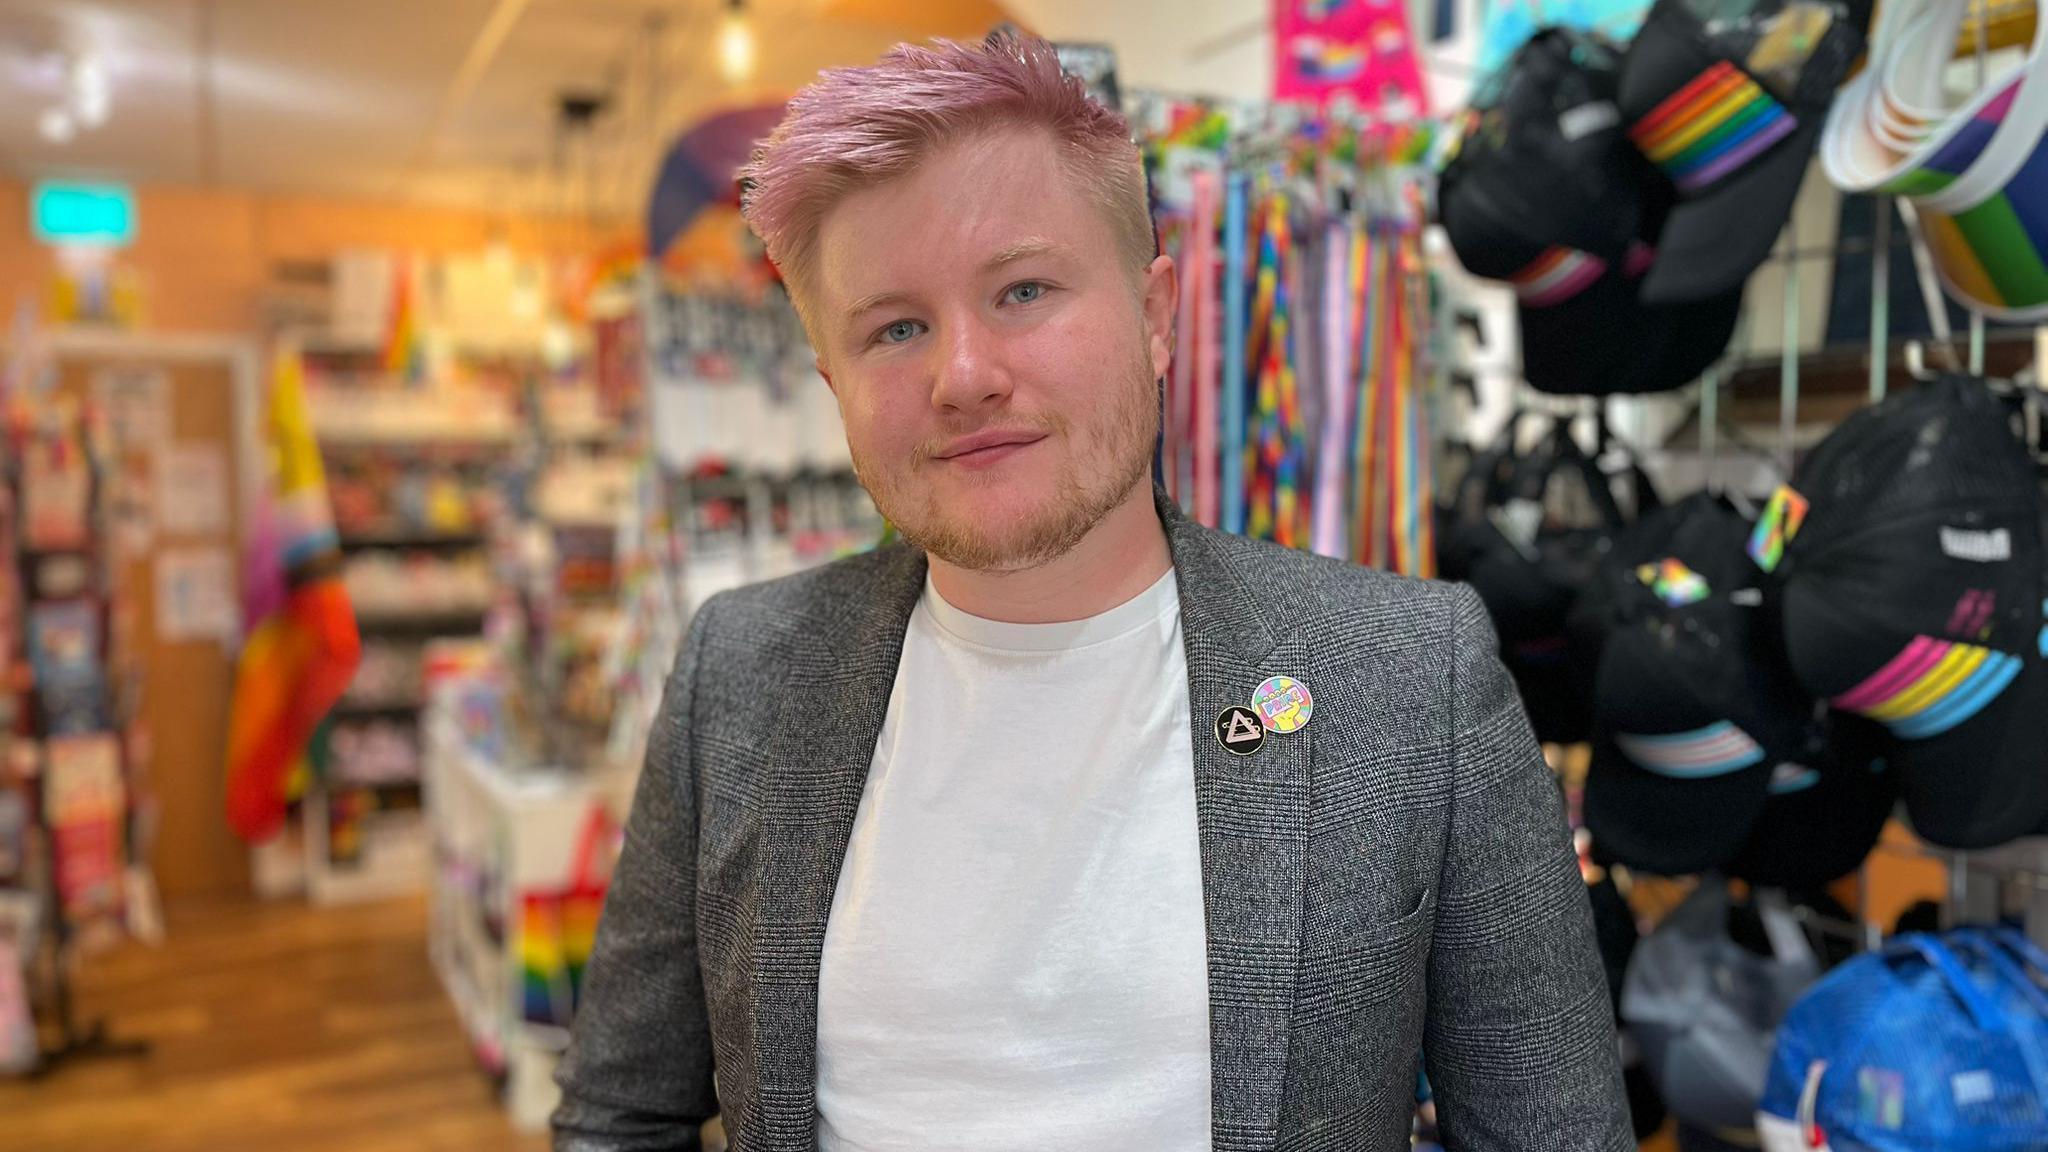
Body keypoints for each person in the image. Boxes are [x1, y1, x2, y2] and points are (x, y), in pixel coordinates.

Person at [553, 32, 1630, 1152]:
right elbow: (620, 1113)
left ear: (1157, 317)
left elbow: (1550, 1130)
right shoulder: (741, 673)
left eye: (1021, 290)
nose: (962, 375)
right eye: (895, 327)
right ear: (832, 378)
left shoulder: (1407, 676)